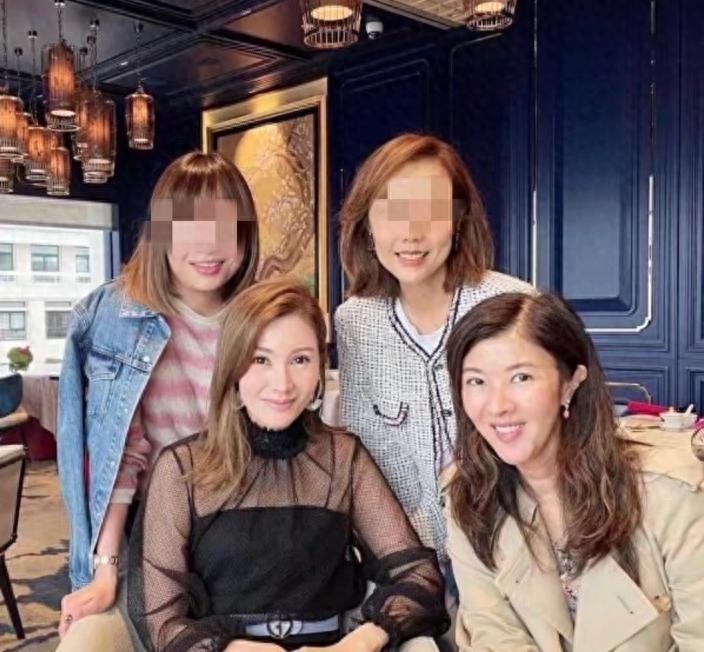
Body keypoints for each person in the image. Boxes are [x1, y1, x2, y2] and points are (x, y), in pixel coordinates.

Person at [127, 279, 450, 652]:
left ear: (319, 369)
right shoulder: (182, 468)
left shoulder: (343, 457)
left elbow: (419, 576)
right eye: (260, 360)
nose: (282, 384)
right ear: (233, 367)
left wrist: (360, 643)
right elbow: (160, 620)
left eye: (300, 360)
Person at [56, 151, 260, 645]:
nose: (209, 246)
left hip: (247, 529)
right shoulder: (119, 318)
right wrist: (105, 566)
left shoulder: (263, 319)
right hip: (152, 530)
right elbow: (121, 459)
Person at [444, 291, 704, 651]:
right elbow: (495, 635)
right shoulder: (470, 497)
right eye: (476, 381)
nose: (497, 405)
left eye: (521, 377)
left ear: (571, 382)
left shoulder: (671, 493)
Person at [335, 133, 532, 565]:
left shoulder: (512, 305)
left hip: (516, 552)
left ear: (459, 219)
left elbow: (549, 442)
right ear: (367, 225)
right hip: (409, 555)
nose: (411, 232)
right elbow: (366, 455)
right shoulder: (354, 322)